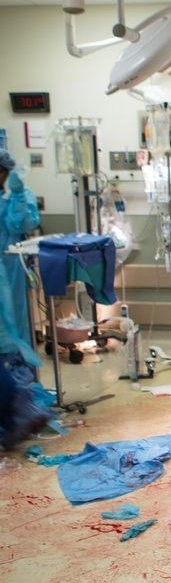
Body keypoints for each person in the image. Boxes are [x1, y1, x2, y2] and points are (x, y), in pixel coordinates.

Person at [0, 151, 47, 449]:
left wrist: (18, 193)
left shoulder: (12, 200)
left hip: (9, 274)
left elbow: (23, 222)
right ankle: (18, 410)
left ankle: (20, 406)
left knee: (11, 337)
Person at [0, 150, 40, 362]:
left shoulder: (19, 196)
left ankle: (16, 370)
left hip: (11, 265)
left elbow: (22, 224)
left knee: (13, 317)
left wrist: (17, 195)